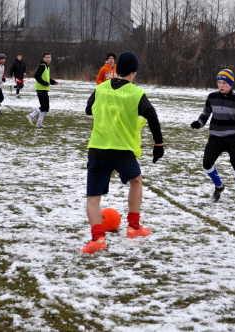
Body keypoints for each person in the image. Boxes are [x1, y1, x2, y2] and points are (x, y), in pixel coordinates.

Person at [81, 51, 165, 254]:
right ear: (134, 71)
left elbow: (88, 110)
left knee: (93, 199)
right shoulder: (136, 94)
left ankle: (98, 239)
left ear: (116, 69)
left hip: (98, 148)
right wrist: (158, 144)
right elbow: (152, 115)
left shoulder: (101, 88)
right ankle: (134, 227)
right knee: (136, 181)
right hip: (123, 150)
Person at [190, 69, 235, 208]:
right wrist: (198, 123)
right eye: (219, 82)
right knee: (207, 164)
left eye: (224, 82)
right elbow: (205, 115)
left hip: (232, 138)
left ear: (230, 84)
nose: (221, 85)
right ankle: (219, 186)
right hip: (215, 137)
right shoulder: (212, 97)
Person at [25, 52, 58, 128]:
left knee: (46, 107)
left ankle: (39, 123)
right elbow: (36, 76)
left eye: (49, 57)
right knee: (44, 106)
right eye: (47, 57)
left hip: (45, 89)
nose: (48, 59)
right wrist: (45, 83)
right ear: (43, 58)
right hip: (40, 89)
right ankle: (31, 115)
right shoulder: (42, 66)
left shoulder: (47, 67)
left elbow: (47, 78)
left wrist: (53, 82)